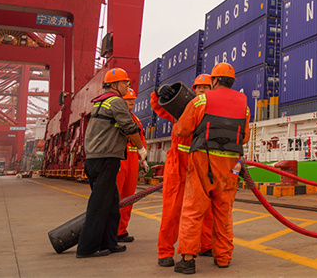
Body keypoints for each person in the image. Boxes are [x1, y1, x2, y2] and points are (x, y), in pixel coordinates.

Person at [174, 63, 250, 274]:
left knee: (193, 209)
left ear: (214, 81)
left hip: (203, 161)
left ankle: (188, 260)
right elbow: (244, 137)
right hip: (230, 165)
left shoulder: (201, 100)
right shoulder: (243, 105)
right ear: (232, 81)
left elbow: (183, 130)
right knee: (224, 212)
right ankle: (223, 258)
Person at [76, 68, 148, 258]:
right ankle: (87, 248)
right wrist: (141, 149)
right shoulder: (116, 102)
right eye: (125, 83)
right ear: (115, 85)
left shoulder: (101, 102)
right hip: (105, 159)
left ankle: (109, 242)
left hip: (98, 158)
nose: (128, 86)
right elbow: (130, 127)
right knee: (99, 205)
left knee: (111, 203)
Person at [151, 74, 215, 268]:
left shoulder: (213, 109)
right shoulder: (184, 107)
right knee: (172, 210)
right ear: (193, 89)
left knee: (206, 209)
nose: (202, 90)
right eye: (199, 87)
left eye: (206, 87)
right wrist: (158, 94)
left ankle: (206, 245)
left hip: (201, 164)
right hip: (178, 165)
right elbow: (160, 107)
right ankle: (165, 252)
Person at [116, 87, 146, 243]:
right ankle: (111, 230)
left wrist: (144, 159)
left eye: (133, 100)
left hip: (133, 158)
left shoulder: (136, 119)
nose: (131, 102)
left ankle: (121, 231)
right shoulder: (116, 116)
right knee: (116, 196)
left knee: (129, 197)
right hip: (120, 157)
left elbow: (140, 138)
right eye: (128, 99)